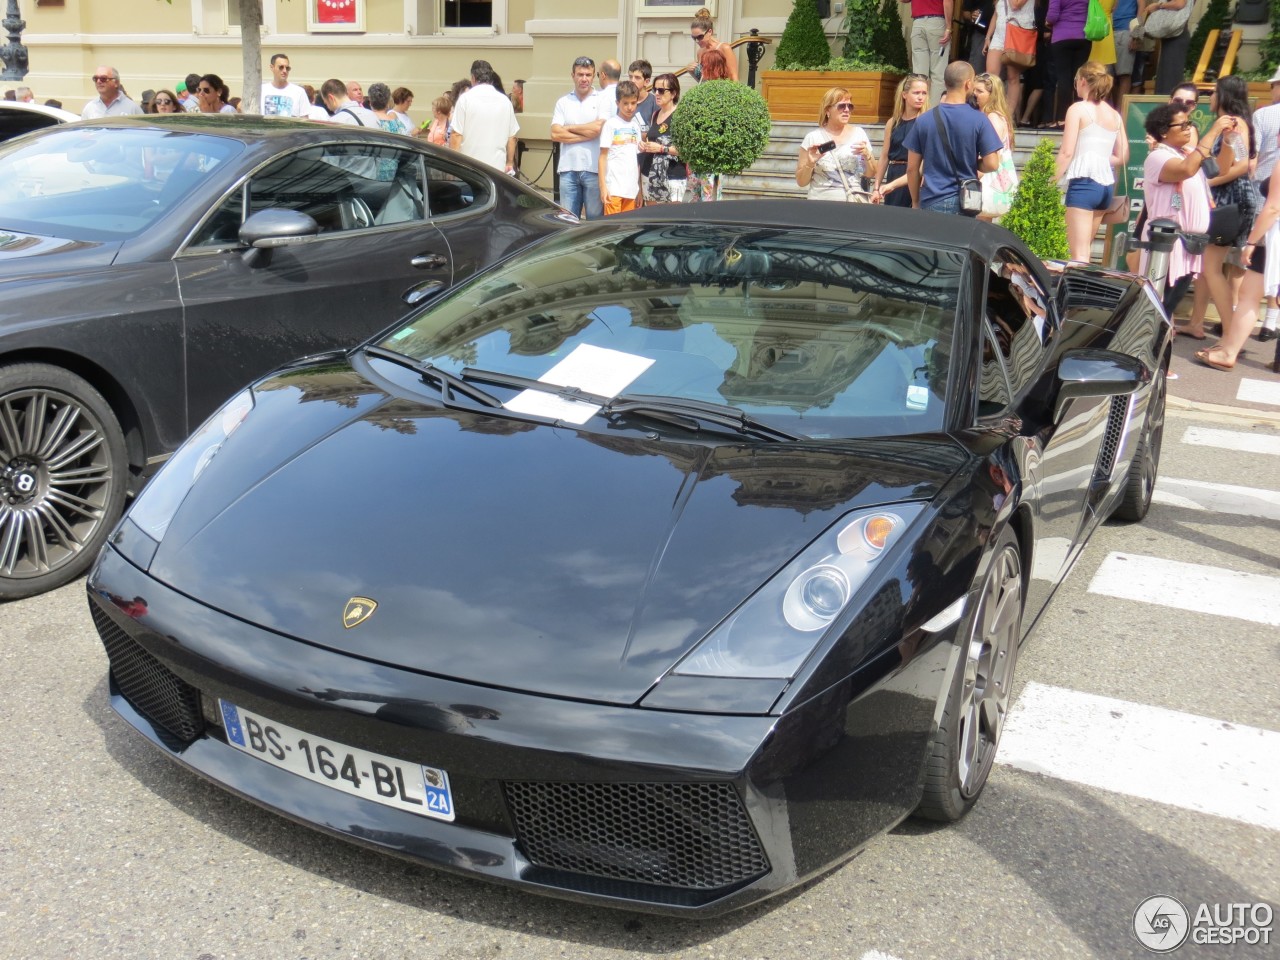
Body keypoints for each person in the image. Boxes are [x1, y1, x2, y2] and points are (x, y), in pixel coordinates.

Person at [1181, 75, 1260, 342]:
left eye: (1214, 92)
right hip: (1225, 199)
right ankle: (1197, 322)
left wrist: (1207, 180)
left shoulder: (1235, 125)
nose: (1210, 97)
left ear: (1225, 95)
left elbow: (1240, 165)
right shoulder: (1228, 123)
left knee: (1211, 267)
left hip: (1230, 199)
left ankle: (1229, 333)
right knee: (1206, 266)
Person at [1198, 159, 1280, 371]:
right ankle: (1228, 349)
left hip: (1275, 237)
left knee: (1249, 296)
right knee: (1249, 295)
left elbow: (1272, 207)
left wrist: (1252, 241)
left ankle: (1228, 352)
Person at [1139, 104, 1219, 310]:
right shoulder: (1157, 156)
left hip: (1190, 244)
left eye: (1189, 124)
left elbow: (1220, 169)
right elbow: (1185, 170)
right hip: (1167, 243)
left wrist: (1228, 140)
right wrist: (1214, 130)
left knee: (1168, 307)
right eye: (1182, 125)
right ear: (1164, 131)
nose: (1188, 129)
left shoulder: (1189, 152)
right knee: (1156, 305)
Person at [905, 61, 1004, 213]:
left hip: (931, 199)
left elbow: (912, 169)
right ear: (968, 84)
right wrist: (971, 162)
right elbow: (992, 164)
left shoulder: (923, 120)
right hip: (964, 200)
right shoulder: (979, 119)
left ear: (945, 83)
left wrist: (916, 201)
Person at [1055, 61, 1127, 261]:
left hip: (1084, 184)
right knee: (1085, 250)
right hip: (1105, 187)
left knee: (1078, 256)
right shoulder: (1114, 114)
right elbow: (1122, 156)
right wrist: (1099, 158)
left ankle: (1077, 292)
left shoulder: (1078, 109)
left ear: (1084, 81)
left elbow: (1066, 152)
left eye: (1076, 80)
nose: (1075, 84)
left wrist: (1049, 179)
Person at [551, 56, 608, 220]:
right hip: (567, 170)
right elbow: (555, 133)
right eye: (580, 74)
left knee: (595, 223)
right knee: (567, 223)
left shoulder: (602, 100)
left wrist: (568, 128)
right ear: (573, 75)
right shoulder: (563, 102)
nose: (584, 79)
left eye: (588, 75)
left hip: (594, 170)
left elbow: (598, 129)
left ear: (594, 75)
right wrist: (587, 132)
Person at [796, 87, 876, 203]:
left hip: (852, 203)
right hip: (821, 203)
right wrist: (810, 163)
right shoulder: (813, 138)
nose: (847, 110)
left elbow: (870, 173)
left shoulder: (859, 134)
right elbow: (801, 182)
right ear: (828, 110)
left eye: (850, 106)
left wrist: (867, 156)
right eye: (841, 106)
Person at [1250, 66, 1280, 342]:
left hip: (1265, 197)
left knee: (1257, 265)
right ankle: (1271, 321)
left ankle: (1242, 317)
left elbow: (1253, 155)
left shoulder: (1264, 115)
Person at [450, 61, 520, 174]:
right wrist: (509, 162)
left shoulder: (465, 99)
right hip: (497, 168)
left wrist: (453, 163)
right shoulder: (505, 101)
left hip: (469, 167)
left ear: (473, 78)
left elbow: (456, 134)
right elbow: (512, 137)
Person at [874, 74, 930, 207]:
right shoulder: (892, 122)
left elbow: (924, 162)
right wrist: (876, 187)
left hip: (916, 174)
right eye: (916, 93)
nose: (921, 97)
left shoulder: (926, 121)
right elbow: (884, 156)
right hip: (895, 170)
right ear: (904, 94)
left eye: (924, 93)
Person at [975, 73, 1020, 221]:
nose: (974, 94)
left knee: (980, 225)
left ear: (992, 94)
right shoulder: (998, 116)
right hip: (994, 179)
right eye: (974, 90)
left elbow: (990, 153)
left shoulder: (992, 117)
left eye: (980, 91)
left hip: (987, 177)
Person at [639, 73, 687, 204]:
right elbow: (651, 139)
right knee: (652, 220)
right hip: (650, 174)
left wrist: (661, 148)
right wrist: (644, 145)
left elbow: (685, 150)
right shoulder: (655, 114)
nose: (657, 94)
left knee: (672, 220)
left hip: (672, 175)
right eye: (655, 90)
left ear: (673, 94)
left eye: (661, 90)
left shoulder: (681, 116)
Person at [599, 81, 645, 215]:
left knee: (627, 228)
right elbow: (602, 157)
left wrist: (639, 189)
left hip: (631, 189)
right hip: (613, 188)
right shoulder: (611, 124)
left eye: (633, 103)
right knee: (613, 229)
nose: (629, 107)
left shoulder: (635, 126)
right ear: (617, 103)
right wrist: (603, 187)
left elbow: (636, 161)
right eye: (625, 103)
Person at [985, 0, 1035, 121]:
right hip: (999, 34)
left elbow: (1015, 5)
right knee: (990, 76)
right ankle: (989, 111)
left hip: (1017, 33)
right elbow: (996, 13)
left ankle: (1007, 116)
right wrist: (988, 37)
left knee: (1013, 77)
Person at [1046, 0, 1090, 126]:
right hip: (1083, 37)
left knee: (1063, 78)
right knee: (1080, 78)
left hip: (1062, 37)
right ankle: (1081, 118)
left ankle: (1063, 119)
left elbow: (1052, 17)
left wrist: (1047, 23)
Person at [899, 0, 953, 104]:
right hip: (937, 22)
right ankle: (934, 113)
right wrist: (949, 27)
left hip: (917, 23)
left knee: (919, 74)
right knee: (938, 72)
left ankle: (918, 110)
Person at [1142, 0, 1191, 96]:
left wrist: (1159, 5)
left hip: (1177, 36)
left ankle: (1169, 106)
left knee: (1169, 79)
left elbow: (1179, 3)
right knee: (1165, 78)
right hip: (1172, 36)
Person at [689, 14, 739, 83]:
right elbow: (702, 80)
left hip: (723, 91)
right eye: (694, 38)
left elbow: (734, 76)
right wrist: (691, 71)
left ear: (709, 32)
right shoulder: (700, 52)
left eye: (700, 37)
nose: (697, 41)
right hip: (705, 91)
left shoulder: (724, 48)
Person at [261, 53, 310, 118]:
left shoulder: (299, 92)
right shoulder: (261, 90)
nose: (284, 71)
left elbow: (305, 119)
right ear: (272, 67)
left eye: (287, 68)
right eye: (281, 67)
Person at [1110, 0, 1139, 104]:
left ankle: (1120, 114)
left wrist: (1136, 35)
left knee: (1124, 75)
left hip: (1126, 31)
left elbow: (1142, 10)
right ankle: (1113, 112)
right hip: (1108, 31)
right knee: (1109, 77)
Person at [628, 60, 657, 126]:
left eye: (637, 78)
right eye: (630, 77)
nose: (632, 81)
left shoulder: (655, 102)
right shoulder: (624, 100)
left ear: (646, 82)